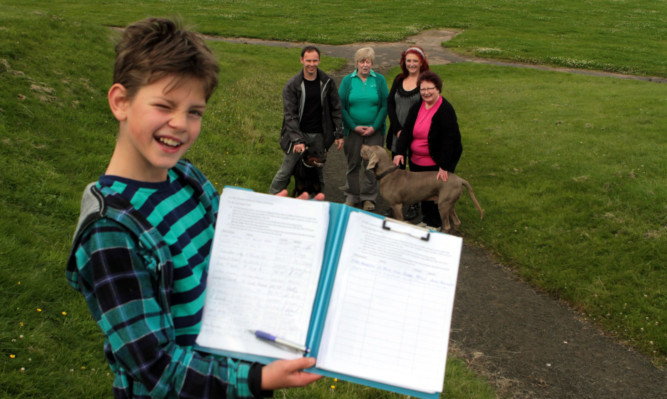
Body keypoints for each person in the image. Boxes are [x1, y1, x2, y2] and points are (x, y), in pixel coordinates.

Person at [66, 18, 321, 398]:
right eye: (164, 105)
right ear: (121, 102)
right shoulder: (109, 232)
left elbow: (226, 247)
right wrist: (256, 380)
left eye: (194, 111)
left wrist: (273, 220)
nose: (179, 124)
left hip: (224, 364)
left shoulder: (184, 175)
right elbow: (156, 370)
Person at [269, 46, 344, 195]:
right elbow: (290, 114)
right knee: (286, 170)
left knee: (318, 171)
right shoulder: (292, 85)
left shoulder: (327, 82)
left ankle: (318, 204)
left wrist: (339, 133)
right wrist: (297, 139)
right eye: (308, 60)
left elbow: (336, 108)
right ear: (301, 60)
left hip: (319, 136)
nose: (311, 64)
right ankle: (271, 200)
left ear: (320, 60)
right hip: (297, 135)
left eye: (315, 60)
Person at [393, 70, 462, 229]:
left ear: (438, 88)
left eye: (430, 88)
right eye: (422, 89)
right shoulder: (417, 107)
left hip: (436, 160)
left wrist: (444, 166)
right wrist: (399, 153)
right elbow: (407, 131)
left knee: (436, 192)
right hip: (417, 160)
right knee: (421, 191)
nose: (426, 92)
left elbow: (450, 141)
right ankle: (427, 219)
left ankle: (436, 223)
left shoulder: (445, 110)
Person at [338, 47, 388, 211]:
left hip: (374, 132)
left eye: (368, 62)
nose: (365, 65)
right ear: (357, 63)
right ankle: (351, 195)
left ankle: (369, 198)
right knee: (353, 164)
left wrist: (374, 127)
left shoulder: (379, 80)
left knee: (371, 165)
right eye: (362, 61)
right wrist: (353, 126)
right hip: (353, 132)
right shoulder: (347, 81)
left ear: (372, 63)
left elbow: (384, 106)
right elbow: (342, 107)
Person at [386, 46, 430, 219]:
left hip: (416, 135)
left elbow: (427, 108)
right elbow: (390, 103)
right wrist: (397, 129)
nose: (411, 64)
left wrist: (408, 132)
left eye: (415, 61)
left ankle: (414, 203)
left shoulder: (425, 82)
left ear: (421, 62)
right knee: (397, 171)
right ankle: (396, 204)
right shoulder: (399, 79)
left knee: (414, 173)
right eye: (408, 60)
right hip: (397, 134)